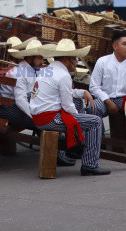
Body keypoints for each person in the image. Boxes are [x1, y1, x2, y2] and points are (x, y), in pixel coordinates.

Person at [30, 39, 110, 176]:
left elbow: (62, 94)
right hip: (49, 118)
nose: (76, 62)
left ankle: (82, 148)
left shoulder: (48, 70)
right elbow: (68, 106)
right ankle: (90, 164)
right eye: (75, 58)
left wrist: (81, 93)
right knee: (95, 122)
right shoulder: (62, 75)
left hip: (39, 116)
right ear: (67, 59)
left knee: (81, 109)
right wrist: (80, 125)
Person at [0, 39, 76, 166]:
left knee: (43, 117)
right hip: (5, 108)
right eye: (39, 58)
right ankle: (56, 154)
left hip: (14, 104)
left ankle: (60, 152)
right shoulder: (20, 71)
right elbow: (21, 100)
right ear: (30, 57)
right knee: (40, 121)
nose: (42, 61)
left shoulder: (30, 70)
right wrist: (35, 114)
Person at [88, 32, 126, 155]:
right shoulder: (102, 62)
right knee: (92, 108)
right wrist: (107, 101)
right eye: (124, 44)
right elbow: (94, 87)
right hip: (105, 98)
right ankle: (100, 143)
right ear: (115, 46)